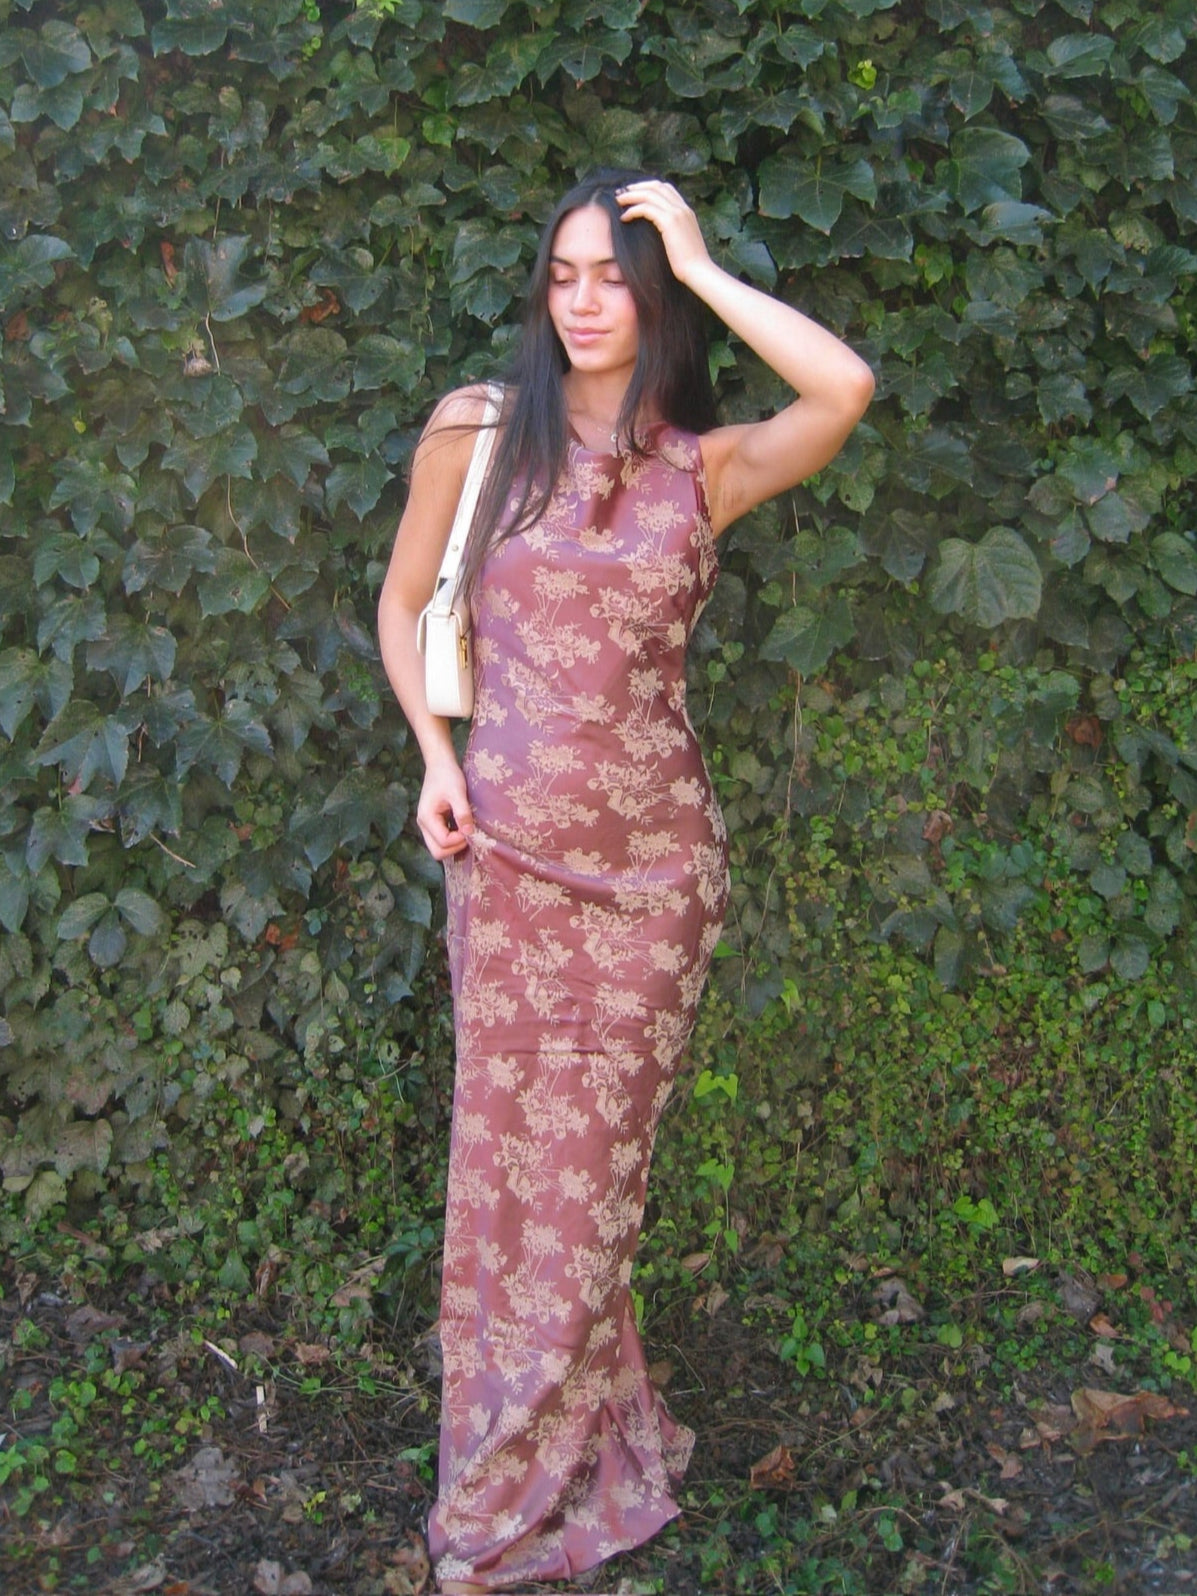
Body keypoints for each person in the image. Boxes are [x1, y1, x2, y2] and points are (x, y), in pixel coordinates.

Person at [377, 171, 874, 1594]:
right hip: (508, 860)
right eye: (564, 274)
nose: (585, 301)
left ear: (654, 301)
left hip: (655, 878)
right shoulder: (479, 432)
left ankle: (545, 1467)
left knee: (594, 1187)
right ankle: (523, 1467)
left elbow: (842, 388)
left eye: (617, 276)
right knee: (508, 1177)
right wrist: (434, 757)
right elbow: (401, 602)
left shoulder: (704, 469)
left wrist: (703, 265)